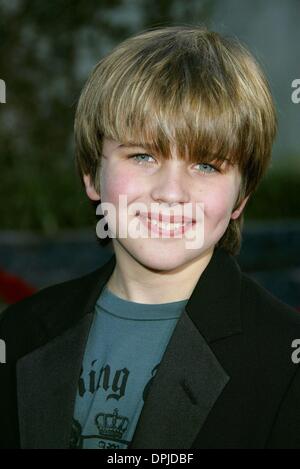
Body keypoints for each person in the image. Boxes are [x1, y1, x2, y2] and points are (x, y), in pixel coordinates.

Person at [1, 25, 300, 449]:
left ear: (241, 197)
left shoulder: (285, 361)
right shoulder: (19, 334)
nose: (171, 193)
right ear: (92, 174)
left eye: (207, 165)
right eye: (143, 155)